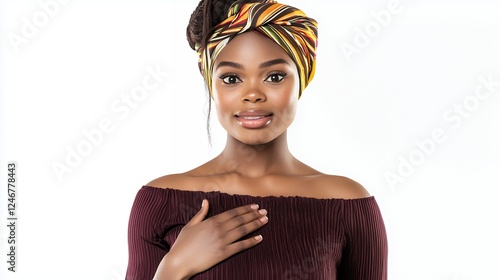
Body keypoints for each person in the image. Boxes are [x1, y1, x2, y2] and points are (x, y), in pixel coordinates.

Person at [126, 0, 388, 279]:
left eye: (274, 76)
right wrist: (174, 268)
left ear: (302, 80)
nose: (252, 94)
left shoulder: (348, 204)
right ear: (211, 85)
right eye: (231, 79)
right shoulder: (158, 202)